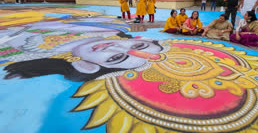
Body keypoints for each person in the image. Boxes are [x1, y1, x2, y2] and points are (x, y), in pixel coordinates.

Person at [4, 36, 163, 82]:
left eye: (115, 57)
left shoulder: (32, 50)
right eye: (138, 45)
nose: (113, 47)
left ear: (87, 66)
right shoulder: (106, 28)